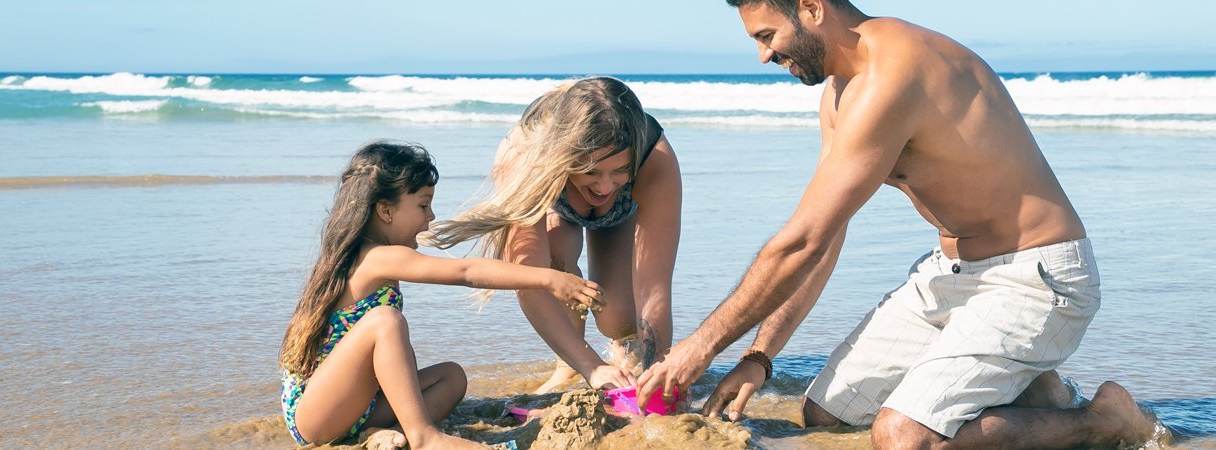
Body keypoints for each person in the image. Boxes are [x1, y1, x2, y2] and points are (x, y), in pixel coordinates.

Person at [637, 1, 1154, 448]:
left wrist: (700, 346)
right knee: (828, 415)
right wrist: (758, 356)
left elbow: (800, 243)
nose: (764, 56)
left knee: (902, 437)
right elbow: (824, 235)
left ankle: (1102, 422)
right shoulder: (839, 95)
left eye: (767, 36)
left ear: (812, 9)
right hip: (952, 274)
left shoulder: (897, 73)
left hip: (1036, 278)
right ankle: (1035, 391)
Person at [278, 140, 604, 448]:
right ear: (386, 211)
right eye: (423, 205)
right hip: (316, 416)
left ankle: (381, 434)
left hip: (356, 408)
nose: (431, 217)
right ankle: (424, 439)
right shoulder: (375, 258)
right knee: (385, 322)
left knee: (451, 377)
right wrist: (548, 278)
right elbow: (466, 273)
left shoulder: (371, 255)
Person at [429, 77, 682, 393]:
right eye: (590, 171)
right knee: (555, 263)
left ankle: (626, 359)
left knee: (617, 318)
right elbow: (530, 283)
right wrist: (591, 367)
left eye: (620, 170)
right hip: (555, 205)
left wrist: (655, 374)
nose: (604, 187)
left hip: (620, 215)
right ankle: (568, 368)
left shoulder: (653, 157)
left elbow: (655, 289)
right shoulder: (524, 155)